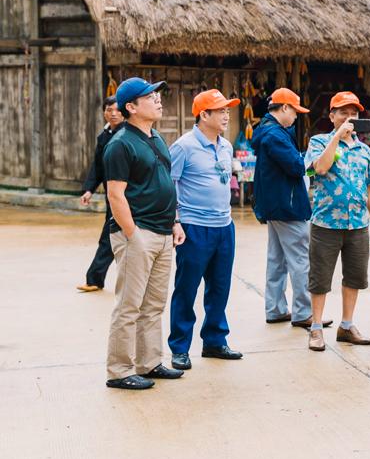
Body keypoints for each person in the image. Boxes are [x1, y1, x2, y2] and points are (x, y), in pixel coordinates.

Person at [102, 77, 185, 390]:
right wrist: (132, 233)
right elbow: (115, 195)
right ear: (131, 107)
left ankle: (149, 363)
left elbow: (165, 183)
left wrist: (174, 222)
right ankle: (119, 370)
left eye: (157, 95)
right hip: (138, 234)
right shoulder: (120, 144)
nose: (158, 99)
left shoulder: (156, 138)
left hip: (163, 232)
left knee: (153, 305)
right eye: (149, 96)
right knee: (129, 306)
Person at [167, 89, 244, 370]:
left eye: (227, 110)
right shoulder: (183, 147)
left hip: (224, 227)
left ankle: (214, 340)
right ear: (204, 115)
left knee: (219, 288)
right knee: (186, 289)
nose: (226, 115)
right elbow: (169, 186)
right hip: (193, 228)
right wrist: (174, 221)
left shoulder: (226, 146)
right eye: (220, 110)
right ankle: (179, 347)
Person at [304, 91, 370, 351]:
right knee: (320, 278)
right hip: (326, 223)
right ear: (332, 116)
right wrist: (337, 137)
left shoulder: (365, 151)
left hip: (358, 225)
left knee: (355, 277)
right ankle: (316, 328)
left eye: (354, 114)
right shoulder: (319, 142)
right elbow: (321, 168)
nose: (349, 118)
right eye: (343, 113)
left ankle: (347, 325)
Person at [252, 88, 324, 329]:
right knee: (301, 260)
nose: (296, 117)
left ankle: (275, 309)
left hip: (275, 205)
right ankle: (304, 312)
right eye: (294, 111)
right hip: (287, 205)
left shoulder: (267, 131)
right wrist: (314, 161)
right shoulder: (276, 135)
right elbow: (296, 166)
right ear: (284, 108)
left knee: (277, 259)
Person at [77, 96, 124, 292]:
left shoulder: (127, 135)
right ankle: (95, 278)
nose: (113, 113)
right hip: (111, 196)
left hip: (127, 196)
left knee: (111, 236)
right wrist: (89, 189)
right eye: (108, 110)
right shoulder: (104, 136)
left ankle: (95, 278)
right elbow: (98, 167)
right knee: (113, 236)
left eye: (116, 110)